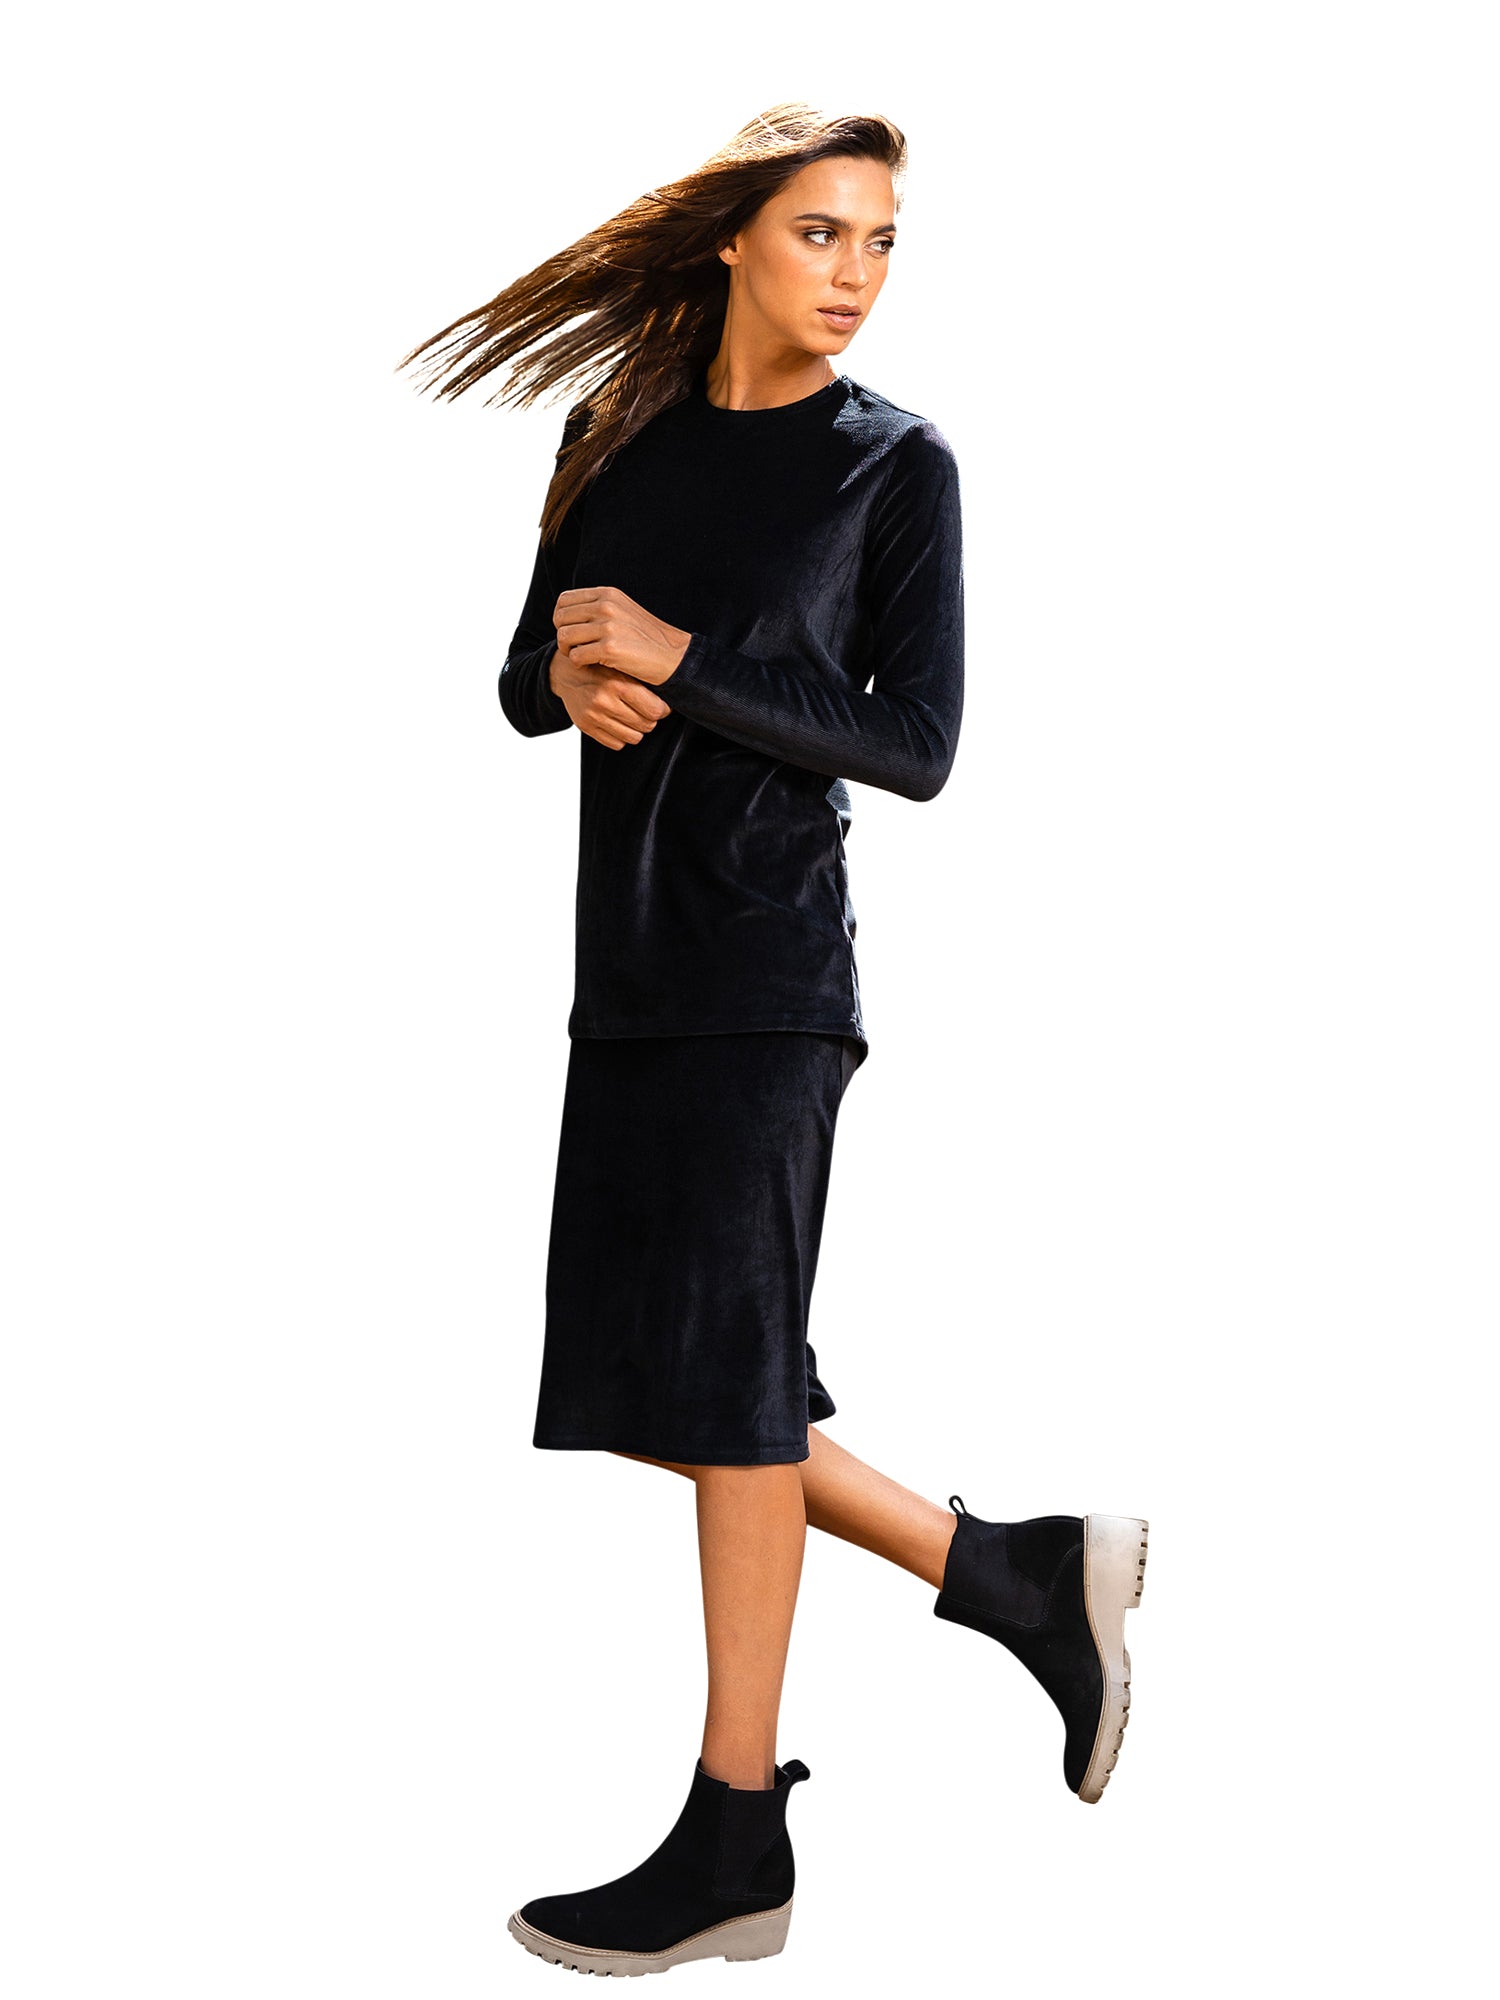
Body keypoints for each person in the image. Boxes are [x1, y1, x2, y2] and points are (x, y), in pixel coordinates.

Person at [399, 100, 1147, 1978]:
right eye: (824, 233)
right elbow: (523, 682)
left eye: (884, 242)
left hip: (769, 981)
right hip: (629, 978)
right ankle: (1011, 1571)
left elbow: (917, 747)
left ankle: (736, 1829)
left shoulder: (894, 466)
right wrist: (576, 672)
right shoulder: (614, 431)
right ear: (737, 236)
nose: (858, 275)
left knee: (722, 1393)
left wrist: (681, 662)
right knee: (674, 1385)